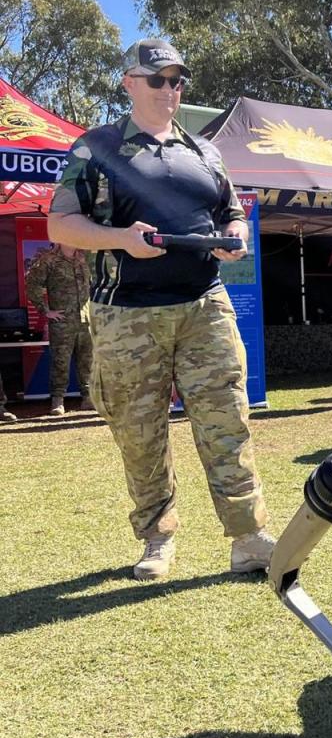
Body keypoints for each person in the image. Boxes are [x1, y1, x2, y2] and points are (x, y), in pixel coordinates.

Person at [46, 38, 273, 581]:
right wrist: (121, 238)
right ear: (129, 83)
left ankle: (248, 537)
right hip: (127, 314)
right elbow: (60, 225)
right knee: (140, 433)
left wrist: (234, 236)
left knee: (227, 422)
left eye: (176, 80)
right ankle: (157, 539)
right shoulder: (95, 147)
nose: (169, 89)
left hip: (204, 306)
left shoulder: (204, 152)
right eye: (157, 79)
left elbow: (232, 212)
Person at [24, 242, 94, 415]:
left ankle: (88, 398)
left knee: (88, 361)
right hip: (62, 322)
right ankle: (58, 400)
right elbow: (32, 285)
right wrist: (45, 311)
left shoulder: (84, 259)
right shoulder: (49, 260)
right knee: (60, 362)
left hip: (86, 321)